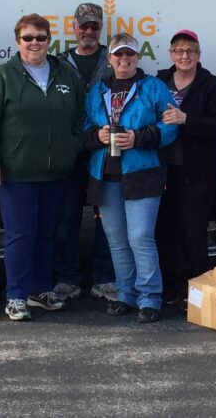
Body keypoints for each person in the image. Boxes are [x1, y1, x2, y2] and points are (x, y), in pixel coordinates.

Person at [0, 14, 87, 321]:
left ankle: (40, 290)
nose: (34, 43)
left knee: (46, 234)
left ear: (49, 41)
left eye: (40, 37)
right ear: (17, 42)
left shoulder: (65, 74)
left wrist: (72, 145)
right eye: (28, 38)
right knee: (20, 235)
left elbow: (81, 115)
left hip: (55, 172)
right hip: (17, 172)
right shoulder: (4, 77)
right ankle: (16, 296)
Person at [83, 33, 177, 324]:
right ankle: (126, 293)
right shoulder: (97, 90)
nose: (124, 60)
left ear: (138, 58)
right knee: (117, 240)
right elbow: (84, 126)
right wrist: (95, 135)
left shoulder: (153, 87)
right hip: (105, 173)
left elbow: (171, 124)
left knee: (140, 237)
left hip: (142, 173)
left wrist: (140, 137)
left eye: (129, 55)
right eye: (118, 55)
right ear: (109, 59)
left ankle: (150, 296)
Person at [155, 30, 216, 304]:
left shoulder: (210, 85)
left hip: (196, 173)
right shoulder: (159, 80)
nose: (184, 56)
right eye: (179, 51)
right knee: (165, 230)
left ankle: (197, 292)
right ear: (171, 54)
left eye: (190, 51)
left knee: (193, 232)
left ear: (199, 54)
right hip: (163, 170)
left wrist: (188, 119)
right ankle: (171, 289)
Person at [54, 2, 117, 303]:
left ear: (100, 29)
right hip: (70, 151)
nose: (89, 31)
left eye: (95, 26)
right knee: (66, 216)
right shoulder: (59, 62)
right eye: (84, 26)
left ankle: (104, 279)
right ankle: (67, 278)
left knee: (105, 216)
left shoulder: (113, 59)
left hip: (103, 152)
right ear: (74, 28)